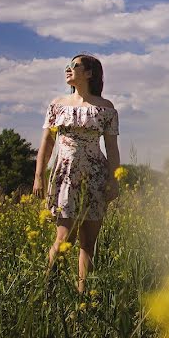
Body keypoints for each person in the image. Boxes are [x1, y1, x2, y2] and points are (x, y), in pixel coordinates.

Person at [33, 54, 120, 293]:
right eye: (68, 66)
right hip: (66, 175)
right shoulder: (58, 104)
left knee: (88, 244)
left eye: (75, 65)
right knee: (63, 240)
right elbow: (47, 144)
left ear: (89, 73)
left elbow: (112, 149)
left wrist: (114, 180)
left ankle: (83, 301)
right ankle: (46, 293)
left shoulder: (105, 108)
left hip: (95, 176)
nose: (68, 69)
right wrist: (39, 175)